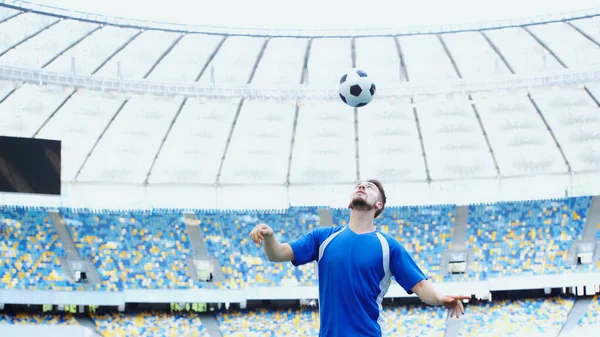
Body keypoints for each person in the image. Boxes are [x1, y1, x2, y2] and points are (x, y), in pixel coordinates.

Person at [249, 179, 470, 337]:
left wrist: (442, 297)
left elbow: (422, 287)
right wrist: (269, 237)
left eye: (370, 187)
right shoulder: (322, 238)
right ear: (349, 202)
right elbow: (277, 253)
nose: (361, 186)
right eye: (359, 185)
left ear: (379, 205)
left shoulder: (388, 247)